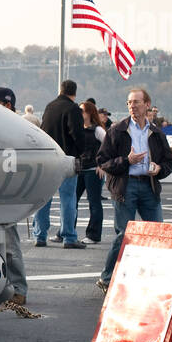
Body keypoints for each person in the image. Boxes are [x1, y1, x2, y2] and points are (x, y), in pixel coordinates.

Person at [96, 87, 172, 291]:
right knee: (124, 235)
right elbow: (102, 161)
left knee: (156, 232)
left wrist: (159, 170)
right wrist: (126, 161)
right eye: (129, 102)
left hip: (149, 185)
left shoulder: (156, 132)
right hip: (125, 185)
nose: (132, 106)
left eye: (136, 102)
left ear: (147, 104)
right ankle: (107, 277)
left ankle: (151, 277)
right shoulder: (117, 131)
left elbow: (168, 162)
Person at [32, 79, 86, 248]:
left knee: (44, 198)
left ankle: (40, 236)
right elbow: (77, 134)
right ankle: (69, 237)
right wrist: (83, 152)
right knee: (68, 199)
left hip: (48, 158)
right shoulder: (73, 109)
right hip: (67, 159)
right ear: (74, 93)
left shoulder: (49, 107)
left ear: (60, 90)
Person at [0, 87, 29, 305]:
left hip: (6, 193)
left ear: (7, 105)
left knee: (10, 245)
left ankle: (18, 289)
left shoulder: (16, 129)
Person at [75, 99, 106, 243]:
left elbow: (108, 146)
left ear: (89, 113)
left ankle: (93, 235)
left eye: (82, 110)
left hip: (93, 170)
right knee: (71, 201)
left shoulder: (98, 130)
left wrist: (102, 165)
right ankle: (67, 231)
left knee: (94, 203)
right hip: (79, 169)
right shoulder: (78, 128)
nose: (79, 113)